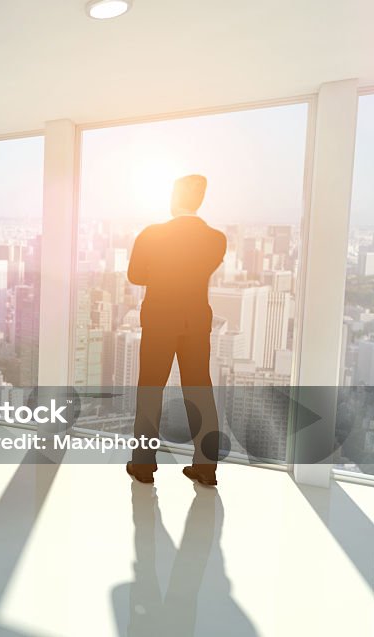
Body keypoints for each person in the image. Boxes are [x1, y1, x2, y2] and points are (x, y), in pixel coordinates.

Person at [126, 174, 225, 486]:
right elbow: (200, 270)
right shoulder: (217, 239)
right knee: (200, 391)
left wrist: (161, 272)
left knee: (150, 390)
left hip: (159, 320)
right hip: (195, 321)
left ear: (175, 197)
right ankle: (206, 468)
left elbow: (135, 275)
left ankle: (143, 466)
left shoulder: (152, 234)